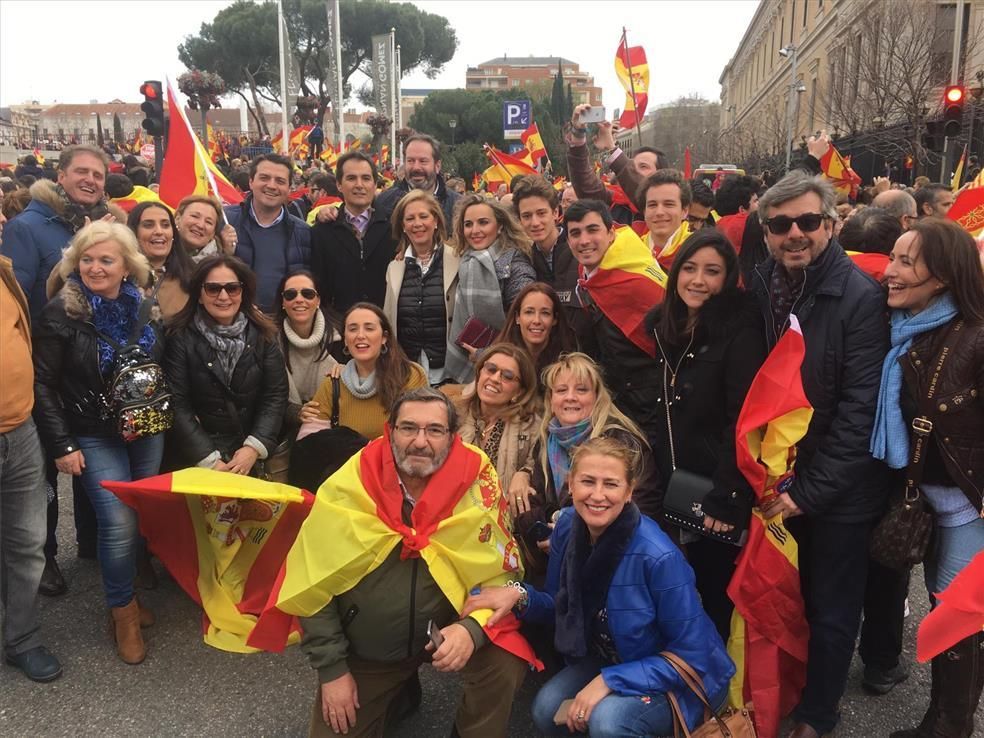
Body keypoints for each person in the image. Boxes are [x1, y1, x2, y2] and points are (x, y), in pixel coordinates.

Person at [281, 387, 531, 738]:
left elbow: (499, 573)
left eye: (434, 430)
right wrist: (332, 671)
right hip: (371, 652)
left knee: (504, 663)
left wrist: (472, 629)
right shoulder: (352, 484)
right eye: (408, 428)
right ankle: (399, 690)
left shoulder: (475, 477)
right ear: (390, 431)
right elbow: (311, 582)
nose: (420, 441)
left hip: (447, 628)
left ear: (451, 438)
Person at [464, 437, 735, 738]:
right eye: (588, 481)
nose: (597, 495)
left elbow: (694, 655)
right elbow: (560, 605)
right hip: (614, 656)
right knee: (546, 708)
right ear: (571, 484)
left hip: (682, 676)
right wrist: (519, 593)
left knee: (608, 722)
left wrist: (610, 681)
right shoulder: (568, 527)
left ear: (629, 492)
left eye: (611, 484)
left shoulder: (658, 556)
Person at [749, 171, 890, 738]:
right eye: (781, 225)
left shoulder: (859, 296)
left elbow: (862, 410)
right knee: (784, 595)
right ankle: (785, 687)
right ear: (766, 233)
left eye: (808, 222)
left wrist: (808, 493)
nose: (795, 234)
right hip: (777, 479)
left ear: (832, 225)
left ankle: (819, 713)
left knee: (832, 608)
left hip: (838, 491)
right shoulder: (759, 283)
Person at [32, 222, 164, 665]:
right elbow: (43, 384)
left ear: (127, 266)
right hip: (91, 430)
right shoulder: (60, 313)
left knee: (142, 511)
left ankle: (129, 595)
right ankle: (122, 611)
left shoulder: (144, 305)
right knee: (118, 521)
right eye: (86, 259)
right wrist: (62, 444)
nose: (94, 267)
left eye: (105, 259)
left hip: (145, 426)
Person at [873, 219, 984, 738]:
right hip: (921, 501)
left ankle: (948, 728)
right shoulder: (902, 328)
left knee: (956, 618)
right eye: (891, 258)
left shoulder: (976, 337)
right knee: (946, 613)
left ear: (941, 276)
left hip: (966, 507)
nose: (889, 272)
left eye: (904, 262)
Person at [645, 230, 766, 639]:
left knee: (714, 595)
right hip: (671, 482)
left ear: (727, 278)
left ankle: (713, 689)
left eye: (711, 272)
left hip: (716, 488)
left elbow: (743, 419)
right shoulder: (665, 328)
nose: (698, 280)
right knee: (678, 589)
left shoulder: (739, 331)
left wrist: (727, 496)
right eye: (690, 269)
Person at [510, 352, 661, 561]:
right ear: (551, 399)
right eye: (561, 390)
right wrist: (556, 520)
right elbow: (526, 516)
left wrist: (572, 534)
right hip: (556, 565)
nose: (570, 397)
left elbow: (641, 512)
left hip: (616, 564)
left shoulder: (624, 443)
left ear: (597, 397)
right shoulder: (546, 442)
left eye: (581, 390)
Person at [0, 215, 62, 682]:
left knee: (27, 544)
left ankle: (21, 638)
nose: (3, 218)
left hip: (19, 431)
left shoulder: (4, 270)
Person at [164, 254, 288, 475]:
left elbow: (274, 396)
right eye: (213, 288)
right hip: (196, 458)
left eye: (232, 288)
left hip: (246, 453)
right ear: (199, 295)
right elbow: (177, 403)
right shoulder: (179, 337)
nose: (223, 296)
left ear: (243, 293)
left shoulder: (264, 335)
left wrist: (253, 448)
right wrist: (209, 459)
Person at [564, 200, 664, 444]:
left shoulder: (635, 280)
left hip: (649, 408)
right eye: (575, 233)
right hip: (615, 401)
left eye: (592, 230)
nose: (584, 240)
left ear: (610, 234)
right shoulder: (589, 274)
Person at [444, 194, 536, 383]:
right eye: (468, 224)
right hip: (472, 360)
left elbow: (527, 324)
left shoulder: (515, 263)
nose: (474, 230)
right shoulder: (464, 259)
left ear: (500, 226)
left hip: (506, 367)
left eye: (483, 222)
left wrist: (487, 353)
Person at [305, 302, 427, 439]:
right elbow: (309, 442)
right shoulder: (333, 383)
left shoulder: (410, 375)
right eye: (352, 329)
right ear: (345, 339)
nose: (360, 335)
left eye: (369, 328)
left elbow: (417, 434)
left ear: (384, 337)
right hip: (348, 460)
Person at [382, 190, 459, 386]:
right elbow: (388, 319)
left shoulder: (458, 260)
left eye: (423, 216)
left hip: (449, 374)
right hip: (407, 373)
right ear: (403, 226)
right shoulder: (394, 267)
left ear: (436, 221)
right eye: (410, 218)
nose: (417, 224)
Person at [224, 153, 312, 313]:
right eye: (264, 178)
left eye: (280, 181)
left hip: (283, 325)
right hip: (234, 323)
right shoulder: (225, 221)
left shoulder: (303, 232)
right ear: (251, 182)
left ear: (289, 188)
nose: (272, 186)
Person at [311, 151, 393, 315]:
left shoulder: (393, 227)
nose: (359, 185)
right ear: (339, 185)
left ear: (375, 184)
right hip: (339, 327)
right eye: (351, 178)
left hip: (384, 325)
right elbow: (319, 286)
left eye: (366, 178)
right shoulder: (321, 232)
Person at [455, 343, 540, 494]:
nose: (495, 378)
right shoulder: (453, 416)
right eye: (491, 369)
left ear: (519, 392)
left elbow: (537, 466)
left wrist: (526, 473)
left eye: (507, 376)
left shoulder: (532, 427)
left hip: (503, 512)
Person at [565, 104, 662, 221]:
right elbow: (585, 185)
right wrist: (578, 134)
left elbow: (645, 192)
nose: (633, 170)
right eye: (632, 165)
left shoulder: (664, 210)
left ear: (660, 175)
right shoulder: (614, 201)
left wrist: (612, 148)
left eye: (643, 166)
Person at [276, 270, 341, 431]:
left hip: (334, 425)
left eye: (308, 294)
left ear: (318, 300)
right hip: (282, 429)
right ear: (282, 302)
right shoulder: (269, 341)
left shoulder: (342, 336)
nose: (299, 299)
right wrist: (295, 412)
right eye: (290, 295)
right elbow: (265, 395)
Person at [511, 176, 581, 321]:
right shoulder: (523, 261)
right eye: (527, 216)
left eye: (541, 213)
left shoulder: (581, 250)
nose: (535, 222)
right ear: (520, 220)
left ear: (555, 213)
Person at [374, 133, 461, 225]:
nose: (416, 167)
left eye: (423, 161)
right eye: (410, 161)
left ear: (437, 166)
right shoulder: (384, 202)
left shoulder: (458, 206)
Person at [126, 201, 193, 323]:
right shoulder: (120, 278)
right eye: (148, 225)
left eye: (165, 225)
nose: (159, 231)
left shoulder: (193, 277)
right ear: (134, 233)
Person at [495, 282, 576, 380]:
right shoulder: (497, 359)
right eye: (529, 312)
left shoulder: (568, 364)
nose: (537, 320)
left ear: (555, 319)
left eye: (545, 313)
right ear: (517, 317)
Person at [638, 169, 693, 269]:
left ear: (685, 211)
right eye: (652, 205)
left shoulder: (697, 250)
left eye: (668, 204)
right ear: (644, 211)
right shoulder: (632, 250)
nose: (659, 212)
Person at [174, 194, 237, 263]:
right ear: (177, 219)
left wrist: (227, 256)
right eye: (195, 216)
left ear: (213, 232)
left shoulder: (218, 267)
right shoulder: (161, 252)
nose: (201, 225)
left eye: (208, 222)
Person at [714, 174, 759, 251]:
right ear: (742, 210)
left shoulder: (717, 230)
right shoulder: (754, 232)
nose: (759, 204)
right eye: (755, 201)